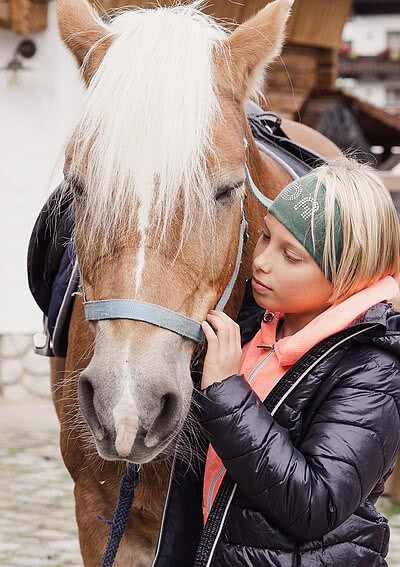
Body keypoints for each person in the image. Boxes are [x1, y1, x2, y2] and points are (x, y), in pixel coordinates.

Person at [190, 157, 400, 567]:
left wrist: (224, 390)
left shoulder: (373, 370)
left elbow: (316, 504)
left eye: (292, 255)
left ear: (345, 275)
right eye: (266, 237)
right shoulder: (255, 322)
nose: (263, 260)